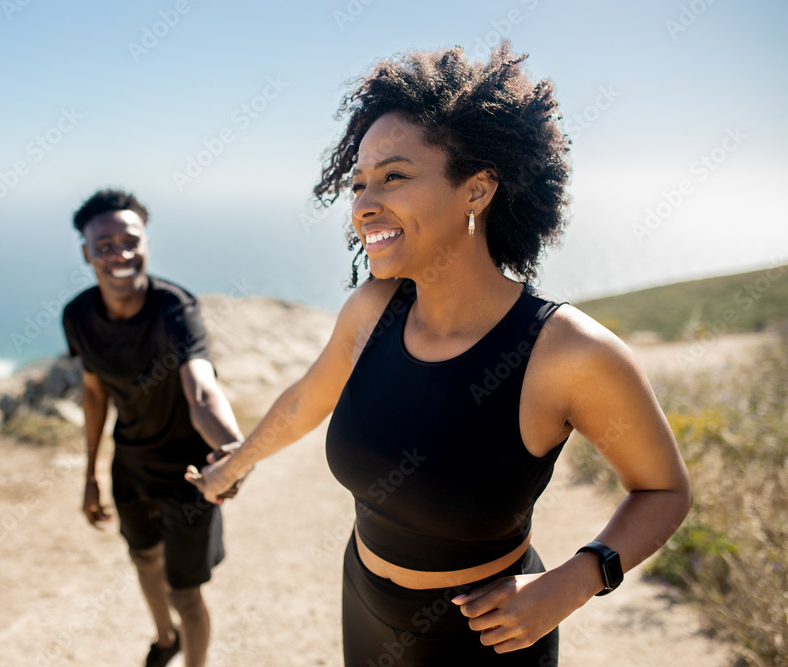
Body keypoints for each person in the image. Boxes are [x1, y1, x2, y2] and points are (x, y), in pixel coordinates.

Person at [186, 44, 692, 665]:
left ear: (476, 189)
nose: (365, 204)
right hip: (366, 606)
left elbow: (663, 489)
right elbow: (307, 399)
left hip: (488, 639)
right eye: (360, 182)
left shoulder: (566, 352)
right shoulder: (373, 308)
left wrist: (572, 583)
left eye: (394, 176)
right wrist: (235, 465)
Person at [62, 189, 243, 667]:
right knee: (144, 561)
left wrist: (233, 450)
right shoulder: (78, 316)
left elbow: (201, 390)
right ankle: (165, 641)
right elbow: (95, 390)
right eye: (104, 245)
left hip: (189, 476)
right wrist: (90, 473)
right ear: (86, 253)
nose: (120, 253)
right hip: (130, 467)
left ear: (145, 242)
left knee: (186, 593)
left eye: (130, 240)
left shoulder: (174, 310)